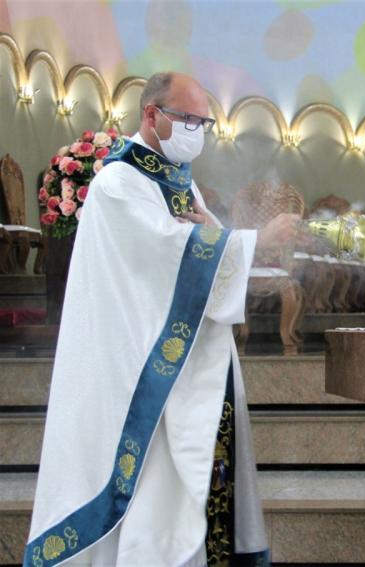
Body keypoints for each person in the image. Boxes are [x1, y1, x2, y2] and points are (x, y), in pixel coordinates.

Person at [25, 72, 300, 566]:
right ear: (151, 114)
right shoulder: (117, 183)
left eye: (203, 123)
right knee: (152, 497)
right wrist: (257, 240)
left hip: (196, 362)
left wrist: (226, 238)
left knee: (194, 488)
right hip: (140, 366)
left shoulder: (178, 180)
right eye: (188, 119)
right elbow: (166, 254)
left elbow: (203, 247)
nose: (198, 131)